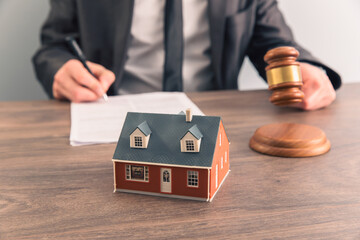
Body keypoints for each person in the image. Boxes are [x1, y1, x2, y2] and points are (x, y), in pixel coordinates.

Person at [33, 0, 341, 110]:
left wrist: (306, 69)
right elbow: (53, 46)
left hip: (214, 119)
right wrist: (60, 69)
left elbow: (273, 43)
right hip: (114, 115)